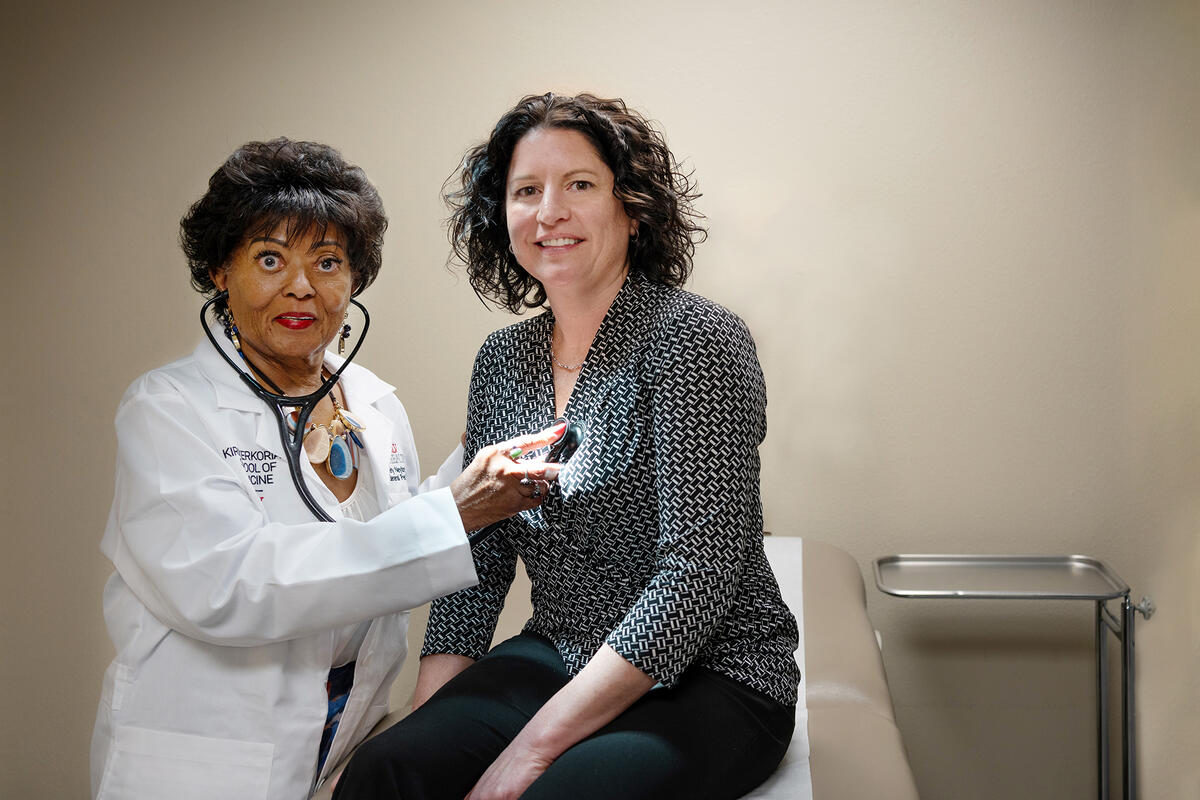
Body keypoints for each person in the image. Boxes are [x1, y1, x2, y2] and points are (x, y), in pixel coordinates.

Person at [334, 94, 800, 800]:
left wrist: (531, 750)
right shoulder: (502, 360)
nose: (549, 211)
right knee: (386, 770)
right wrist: (426, 722)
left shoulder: (694, 340)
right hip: (562, 651)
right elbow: (481, 557)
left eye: (579, 185)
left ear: (632, 208)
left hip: (718, 673)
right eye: (527, 191)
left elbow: (697, 574)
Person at [89, 137, 563, 800]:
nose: (302, 287)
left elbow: (389, 536)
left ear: (355, 278)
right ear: (222, 272)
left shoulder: (371, 403)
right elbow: (235, 585)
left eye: (329, 260)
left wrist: (475, 460)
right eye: (270, 258)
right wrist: (453, 513)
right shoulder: (169, 411)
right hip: (202, 761)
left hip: (338, 740)